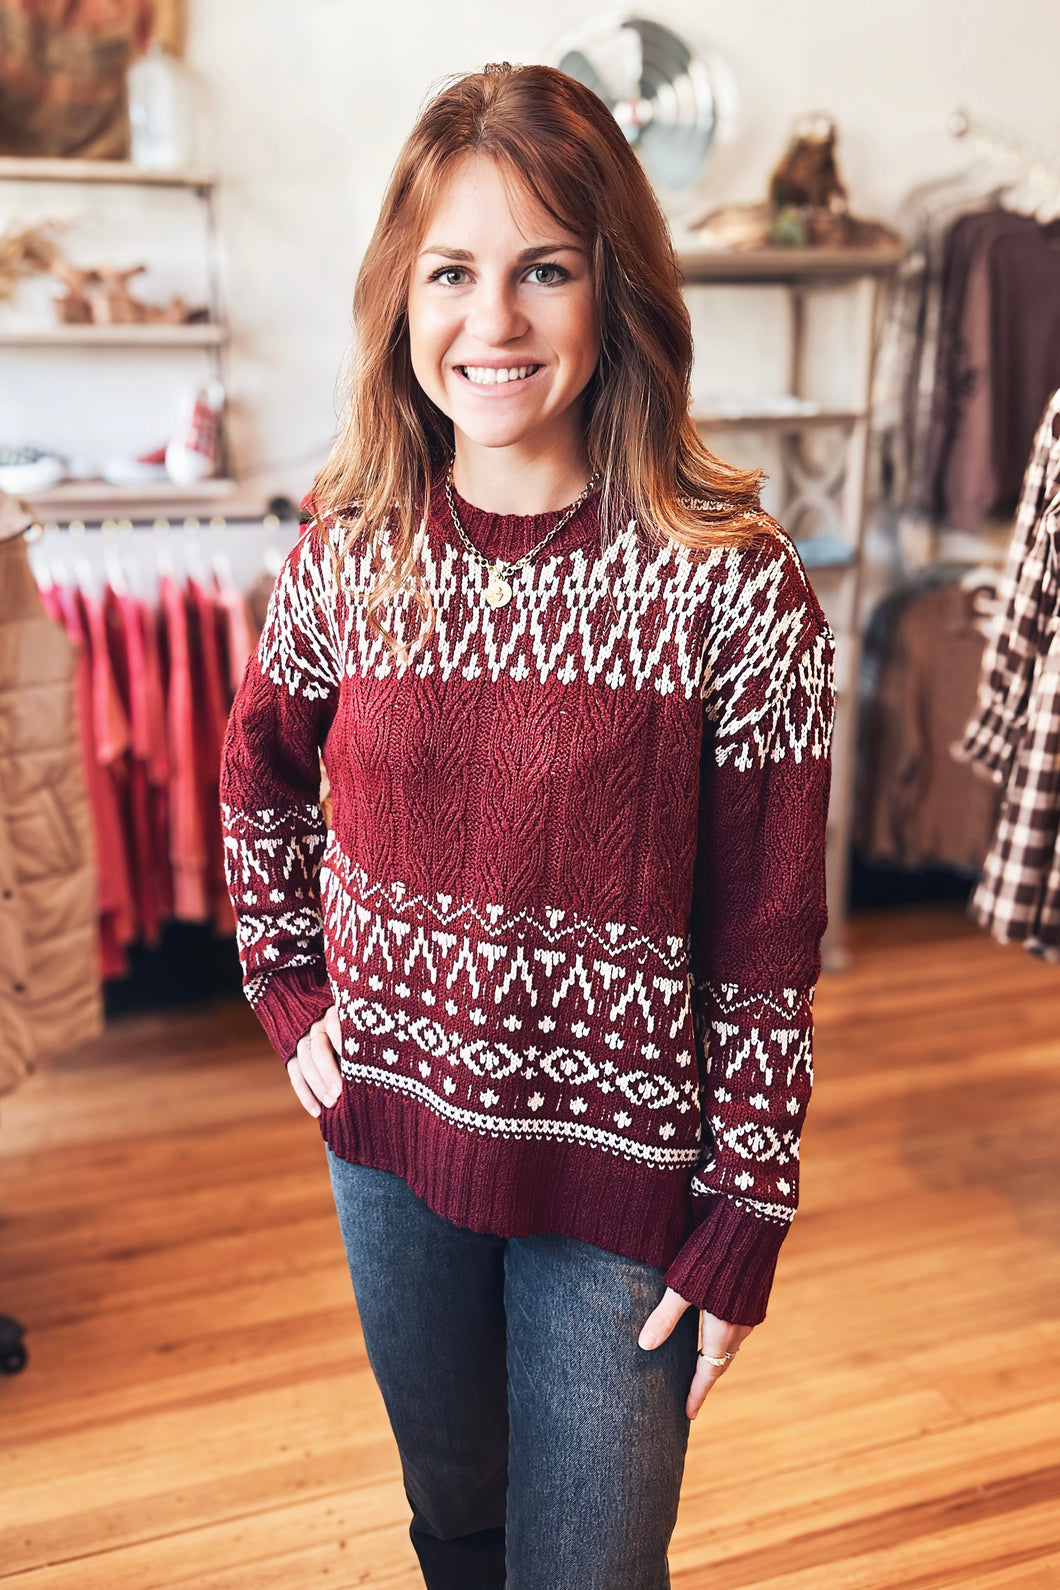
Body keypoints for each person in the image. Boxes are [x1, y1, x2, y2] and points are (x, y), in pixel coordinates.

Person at [220, 61, 834, 1590]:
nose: (493, 323)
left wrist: (746, 1203)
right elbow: (258, 775)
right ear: (402, 295)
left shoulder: (732, 586)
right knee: (458, 1532)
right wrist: (289, 985)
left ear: (610, 283)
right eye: (453, 272)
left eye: (544, 268)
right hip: (390, 1145)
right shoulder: (352, 546)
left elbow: (768, 936)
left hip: (620, 1187)